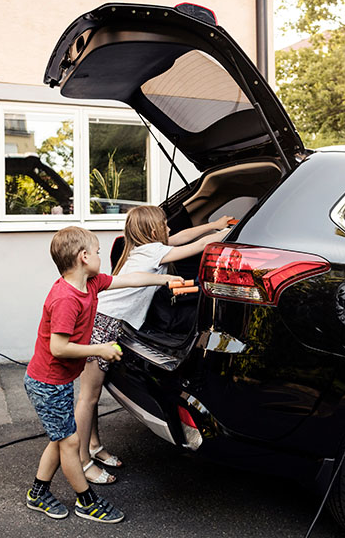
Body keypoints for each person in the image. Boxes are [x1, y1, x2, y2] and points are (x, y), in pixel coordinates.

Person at [23, 226, 183, 524]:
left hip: (56, 382)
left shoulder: (92, 283)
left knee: (60, 440)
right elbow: (58, 347)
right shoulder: (66, 299)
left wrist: (164, 278)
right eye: (97, 252)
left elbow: (129, 279)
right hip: (46, 383)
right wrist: (100, 349)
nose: (100, 256)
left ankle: (38, 492)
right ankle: (87, 501)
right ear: (83, 257)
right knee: (69, 443)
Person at [75, 206, 232, 484]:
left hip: (106, 323)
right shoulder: (152, 252)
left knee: (93, 396)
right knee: (88, 398)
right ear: (152, 231)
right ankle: (83, 462)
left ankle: (94, 447)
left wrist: (213, 224)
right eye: (164, 226)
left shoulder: (144, 247)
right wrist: (227, 233)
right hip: (102, 325)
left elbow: (183, 236)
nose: (169, 229)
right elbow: (195, 246)